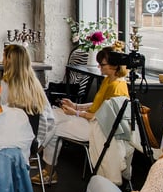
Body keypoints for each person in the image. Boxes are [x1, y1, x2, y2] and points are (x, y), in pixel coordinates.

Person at [38, 46, 129, 184]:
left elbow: (105, 117)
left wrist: (76, 112)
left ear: (114, 66)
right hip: (90, 120)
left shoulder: (117, 87)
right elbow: (98, 104)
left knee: (53, 126)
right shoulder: (108, 80)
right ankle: (42, 161)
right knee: (53, 115)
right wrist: (75, 106)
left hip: (97, 128)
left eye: (102, 64)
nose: (99, 67)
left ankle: (44, 164)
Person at [1, 43, 55, 150]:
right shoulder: (37, 87)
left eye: (3, 57)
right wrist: (40, 145)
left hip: (8, 143)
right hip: (32, 144)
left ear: (8, 60)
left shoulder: (3, 85)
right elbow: (51, 121)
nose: (2, 61)